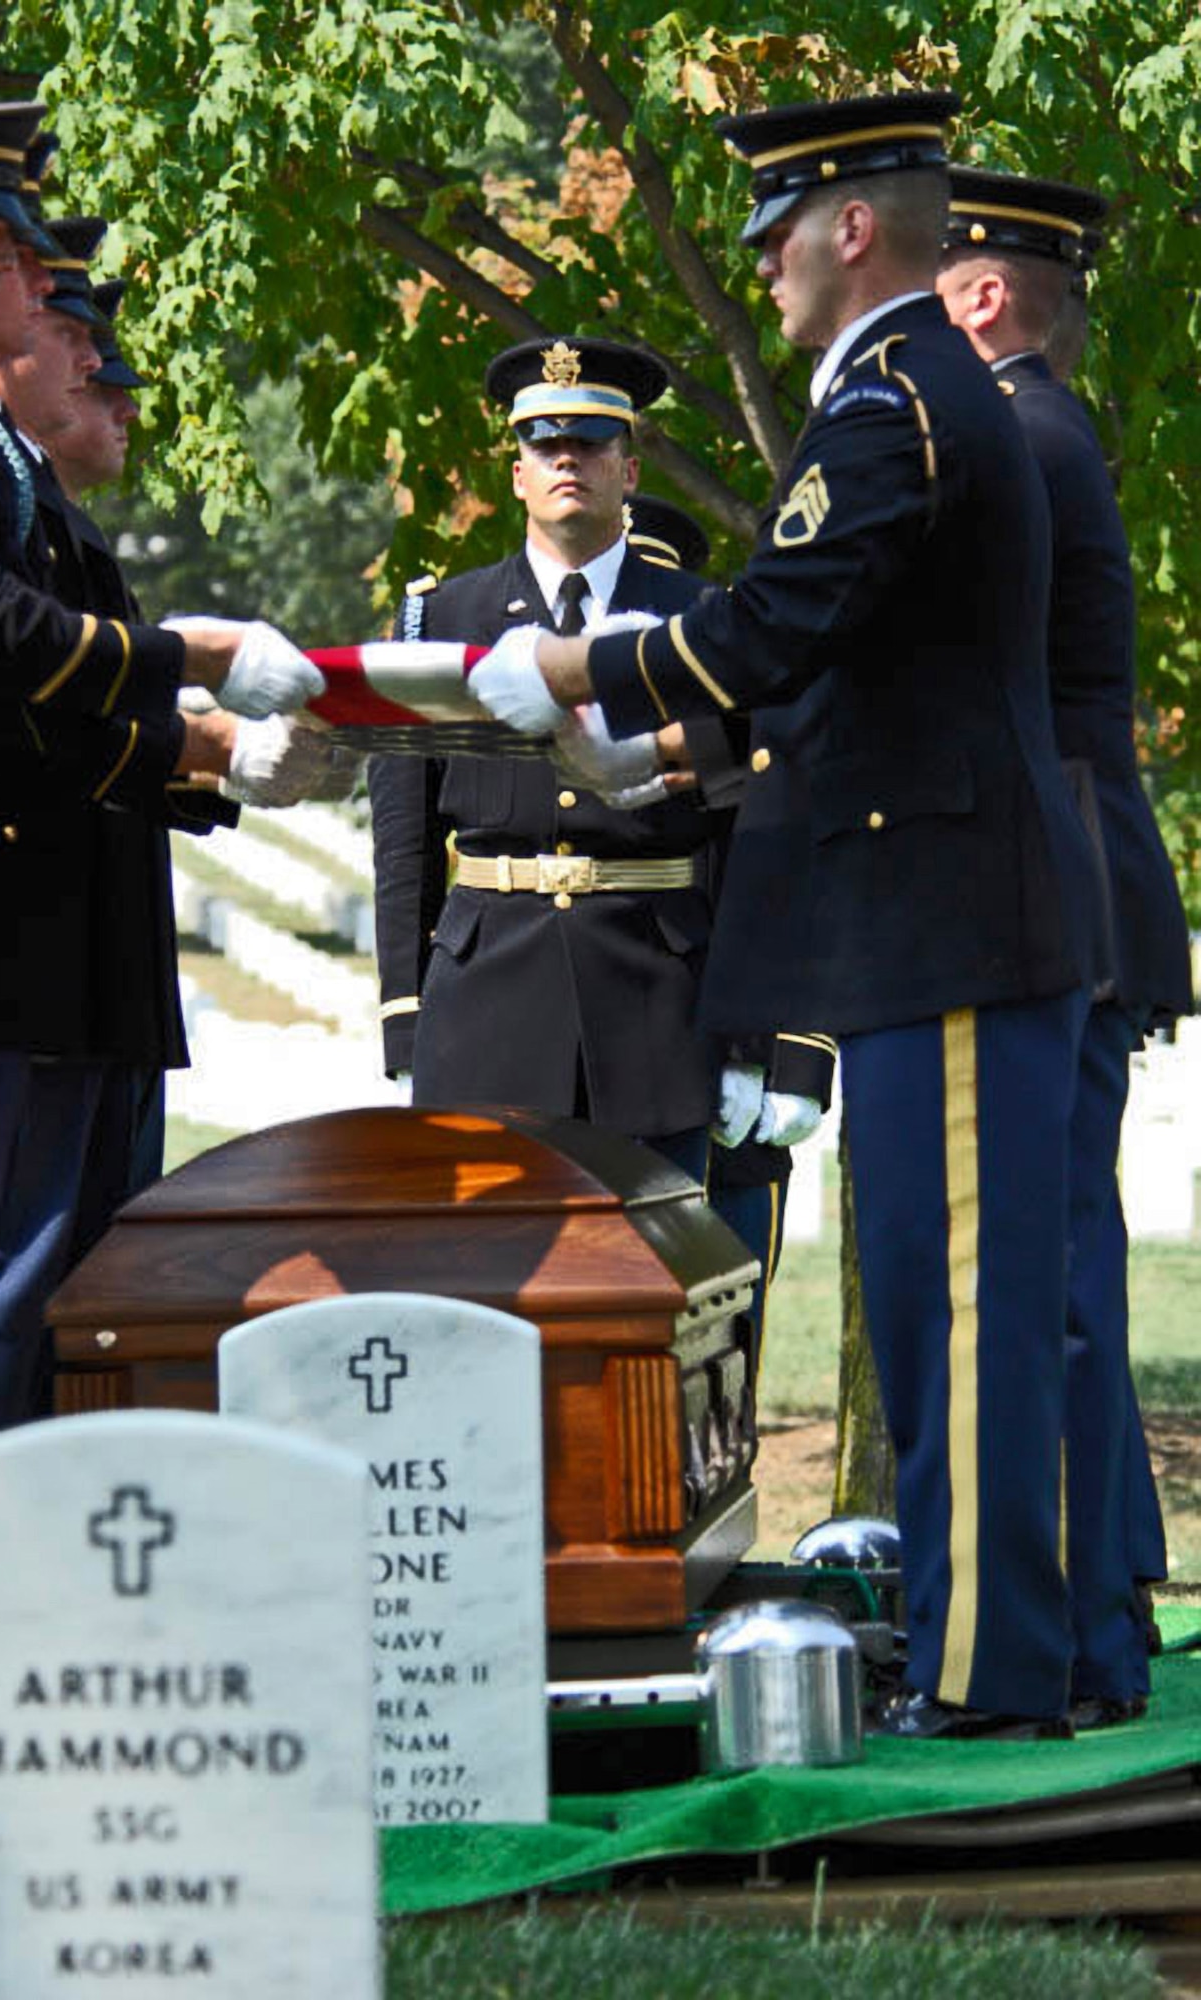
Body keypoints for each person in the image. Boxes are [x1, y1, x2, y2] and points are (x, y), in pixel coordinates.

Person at [470, 93, 1110, 1739]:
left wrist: (575, 670)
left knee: (957, 1312)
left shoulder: (894, 403)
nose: (753, 263)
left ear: (846, 230)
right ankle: (1017, 1655)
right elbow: (838, 662)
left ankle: (985, 1682)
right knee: (938, 1296)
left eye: (770, 232)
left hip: (952, 918)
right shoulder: (914, 394)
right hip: (935, 917)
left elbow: (779, 619)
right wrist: (664, 745)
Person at [0, 101, 324, 1659]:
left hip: (23, 948)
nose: (23, 281)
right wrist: (186, 692)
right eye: (1, 244)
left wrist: (188, 749)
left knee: (8, 1293)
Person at [937, 170, 1194, 1721]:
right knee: (1068, 1264)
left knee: (1055, 1280)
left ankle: (1084, 1629)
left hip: (1051, 878)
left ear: (978, 300)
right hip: (1076, 875)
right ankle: (1100, 1616)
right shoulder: (1046, 429)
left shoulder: (1015, 436)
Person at [369, 337, 732, 1178]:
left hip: (655, 1007)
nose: (568, 458)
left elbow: (745, 830)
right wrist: (403, 1012)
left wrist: (756, 1037)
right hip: (483, 1008)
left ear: (630, 471)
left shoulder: (703, 620)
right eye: (544, 444)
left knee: (646, 1291)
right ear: (518, 475)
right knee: (484, 1290)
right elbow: (404, 837)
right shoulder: (441, 619)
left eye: (593, 442)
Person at [625, 494, 832, 1359]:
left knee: (721, 1362)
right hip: (602, 1058)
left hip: (731, 1085)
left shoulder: (747, 724)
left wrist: (797, 1058)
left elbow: (798, 874)